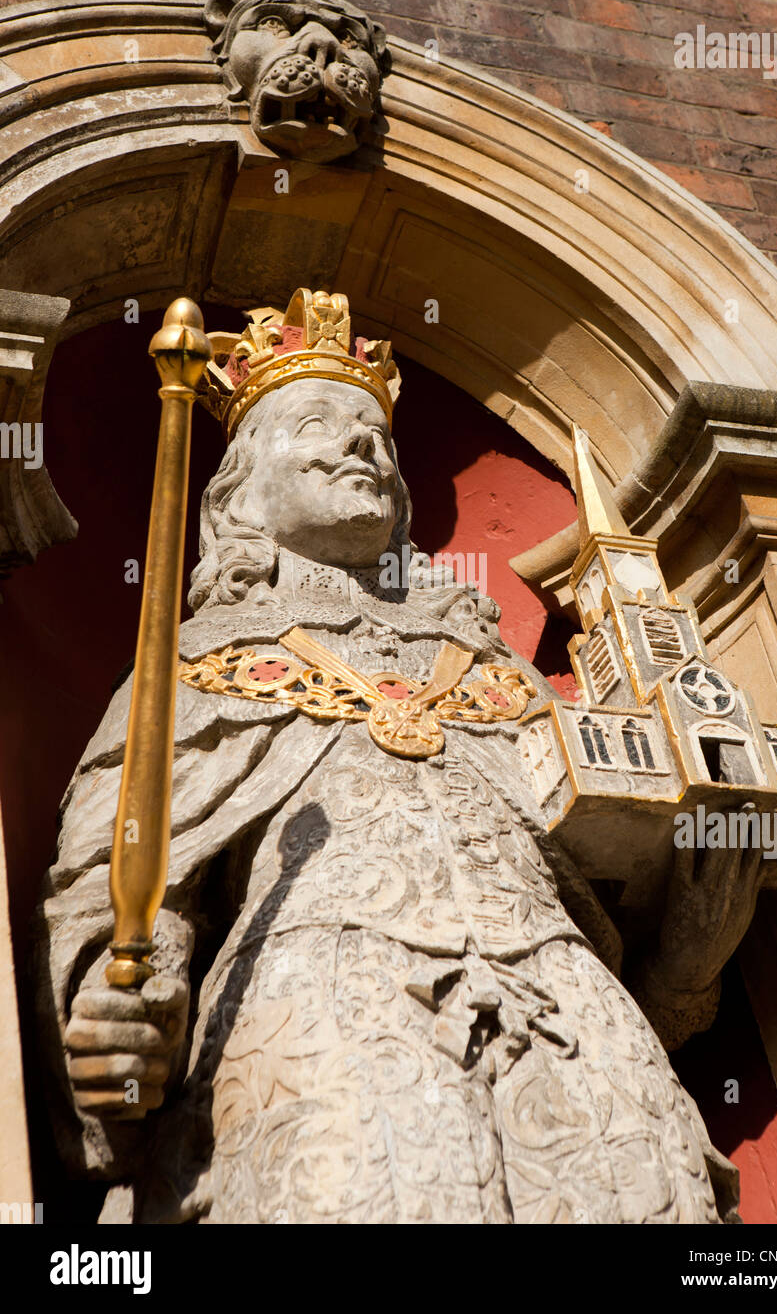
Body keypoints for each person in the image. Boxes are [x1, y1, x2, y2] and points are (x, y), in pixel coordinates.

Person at [33, 291, 737, 1224]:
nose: (359, 443)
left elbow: (613, 892)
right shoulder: (192, 670)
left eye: (374, 430)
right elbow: (124, 884)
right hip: (323, 1019)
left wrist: (689, 966)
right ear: (240, 492)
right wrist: (126, 1003)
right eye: (315, 423)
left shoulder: (499, 672)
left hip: (574, 1021)